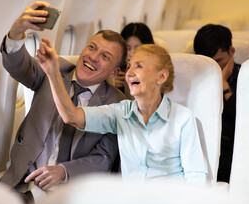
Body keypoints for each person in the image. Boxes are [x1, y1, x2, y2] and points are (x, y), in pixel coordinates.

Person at [0, 1, 127, 204]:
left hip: (69, 193)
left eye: (105, 57)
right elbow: (18, 65)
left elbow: (104, 157)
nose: (93, 57)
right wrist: (17, 31)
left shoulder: (117, 103)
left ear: (114, 72)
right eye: (91, 47)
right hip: (22, 182)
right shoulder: (55, 69)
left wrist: (63, 171)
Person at [36, 42, 208, 185]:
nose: (129, 72)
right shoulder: (120, 112)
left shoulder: (183, 118)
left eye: (138, 66)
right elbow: (71, 116)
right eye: (129, 66)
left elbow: (196, 177)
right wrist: (52, 72)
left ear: (161, 76)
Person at [193, 24, 240, 183]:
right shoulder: (193, 80)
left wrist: (224, 86)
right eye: (208, 63)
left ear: (231, 52)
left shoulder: (246, 78)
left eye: (218, 61)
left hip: (234, 150)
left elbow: (246, 124)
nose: (213, 68)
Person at [114, 22, 155, 98]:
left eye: (137, 48)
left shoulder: (155, 73)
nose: (132, 54)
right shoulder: (116, 72)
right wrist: (113, 88)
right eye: (128, 48)